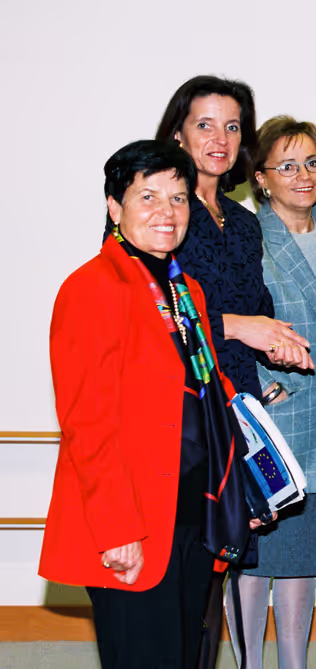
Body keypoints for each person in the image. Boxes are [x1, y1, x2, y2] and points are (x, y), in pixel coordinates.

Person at [41, 140, 265, 668]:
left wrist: (245, 486)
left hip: (192, 516)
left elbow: (209, 396)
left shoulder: (185, 290)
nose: (167, 211)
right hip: (133, 524)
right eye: (149, 197)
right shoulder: (93, 288)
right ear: (114, 207)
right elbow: (87, 423)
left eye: (178, 198)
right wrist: (118, 530)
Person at [153, 75, 314, 667]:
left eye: (232, 126)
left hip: (235, 419)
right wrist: (241, 327)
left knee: (214, 577)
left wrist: (276, 348)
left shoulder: (244, 223)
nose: (219, 138)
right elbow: (151, 315)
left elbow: (256, 312)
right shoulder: (159, 212)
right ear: (177, 133)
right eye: (205, 124)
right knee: (176, 582)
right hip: (177, 419)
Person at [223, 117, 316, 669]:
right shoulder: (246, 236)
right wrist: (262, 387)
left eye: (312, 162)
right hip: (270, 423)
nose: (303, 175)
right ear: (261, 177)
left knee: (300, 564)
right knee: (252, 564)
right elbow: (228, 322)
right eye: (287, 165)